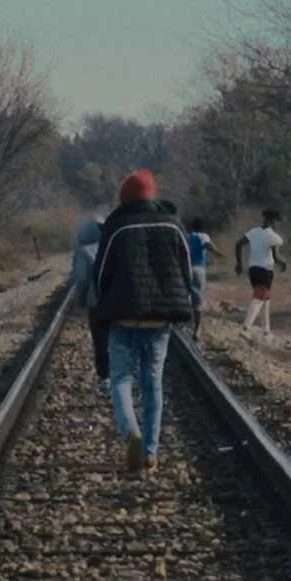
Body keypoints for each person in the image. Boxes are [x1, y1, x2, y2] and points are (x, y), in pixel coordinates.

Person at [92, 169, 195, 474]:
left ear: (125, 198)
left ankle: (131, 433)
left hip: (123, 318)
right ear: (152, 194)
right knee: (153, 384)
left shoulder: (117, 227)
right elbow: (186, 271)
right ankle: (150, 452)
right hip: (159, 321)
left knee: (121, 380)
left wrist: (106, 305)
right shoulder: (173, 225)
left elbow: (100, 275)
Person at [68, 208, 108, 397]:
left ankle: (105, 378)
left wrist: (80, 301)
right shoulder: (114, 245)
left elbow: (81, 279)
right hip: (119, 301)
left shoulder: (83, 251)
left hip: (96, 302)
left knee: (100, 341)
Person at [235, 210, 286, 336]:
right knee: (259, 298)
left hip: (253, 270)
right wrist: (283, 263)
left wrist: (239, 263)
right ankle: (246, 327)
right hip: (265, 270)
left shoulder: (253, 232)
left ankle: (266, 330)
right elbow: (275, 256)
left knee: (266, 298)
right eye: (276, 222)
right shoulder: (273, 236)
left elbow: (238, 244)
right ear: (272, 221)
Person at [185, 217, 223, 339]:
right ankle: (197, 330)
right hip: (198, 269)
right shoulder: (203, 236)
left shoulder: (187, 236)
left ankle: (185, 326)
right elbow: (207, 245)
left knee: (186, 298)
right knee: (198, 301)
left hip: (186, 269)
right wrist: (218, 253)